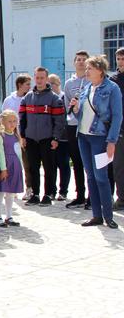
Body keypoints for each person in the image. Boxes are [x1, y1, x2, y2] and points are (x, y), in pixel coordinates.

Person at [70, 55, 123, 229]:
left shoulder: (112, 88)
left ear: (100, 70)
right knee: (90, 176)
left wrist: (112, 141)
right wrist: (76, 109)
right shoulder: (86, 88)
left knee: (101, 177)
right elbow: (81, 115)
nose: (86, 71)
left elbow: (117, 116)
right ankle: (96, 216)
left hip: (100, 137)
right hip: (83, 137)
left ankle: (108, 217)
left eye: (89, 68)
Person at [19, 67, 66, 207]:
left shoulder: (54, 99)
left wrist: (55, 138)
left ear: (46, 79)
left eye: (42, 78)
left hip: (47, 139)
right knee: (33, 168)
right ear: (34, 78)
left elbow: (59, 121)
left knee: (49, 168)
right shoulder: (27, 98)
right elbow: (22, 118)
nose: (39, 80)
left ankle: (48, 194)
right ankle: (35, 194)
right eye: (37, 77)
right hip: (31, 138)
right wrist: (23, 136)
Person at [63, 52, 89, 208]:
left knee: (89, 164)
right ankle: (80, 195)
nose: (81, 62)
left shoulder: (92, 81)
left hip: (88, 126)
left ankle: (92, 198)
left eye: (84, 60)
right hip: (73, 126)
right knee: (77, 162)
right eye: (78, 60)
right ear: (74, 63)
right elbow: (67, 106)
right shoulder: (69, 84)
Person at [2, 73, 33, 199]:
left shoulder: (30, 98)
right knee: (11, 162)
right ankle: (10, 188)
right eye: (27, 84)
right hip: (11, 135)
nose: (29, 87)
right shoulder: (9, 100)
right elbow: (3, 116)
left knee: (26, 163)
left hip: (24, 135)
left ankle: (29, 188)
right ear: (20, 85)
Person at [0, 110, 24, 227]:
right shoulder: (1, 136)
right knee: (1, 191)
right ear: (3, 122)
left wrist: (20, 167)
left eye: (14, 121)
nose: (12, 123)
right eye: (9, 121)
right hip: (4, 165)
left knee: (11, 193)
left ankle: (9, 216)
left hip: (14, 165)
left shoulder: (16, 135)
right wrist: (3, 169)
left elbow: (19, 152)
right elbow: (0, 152)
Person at [48, 73, 70, 201]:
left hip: (64, 137)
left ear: (58, 85)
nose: (50, 86)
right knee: (52, 165)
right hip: (51, 137)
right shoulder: (48, 98)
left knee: (64, 164)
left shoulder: (63, 97)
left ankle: (63, 191)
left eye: (52, 84)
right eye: (48, 84)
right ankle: (52, 191)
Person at [109, 47, 124, 210]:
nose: (120, 62)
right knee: (119, 165)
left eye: (123, 58)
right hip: (119, 129)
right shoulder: (113, 80)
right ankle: (121, 198)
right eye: (118, 58)